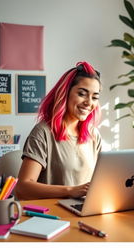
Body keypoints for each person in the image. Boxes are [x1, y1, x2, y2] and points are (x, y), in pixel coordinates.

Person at [15, 61, 102, 200]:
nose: (89, 102)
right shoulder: (42, 132)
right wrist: (70, 190)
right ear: (65, 93)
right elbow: (22, 188)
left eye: (95, 97)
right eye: (82, 94)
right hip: (52, 214)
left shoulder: (94, 134)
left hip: (85, 211)